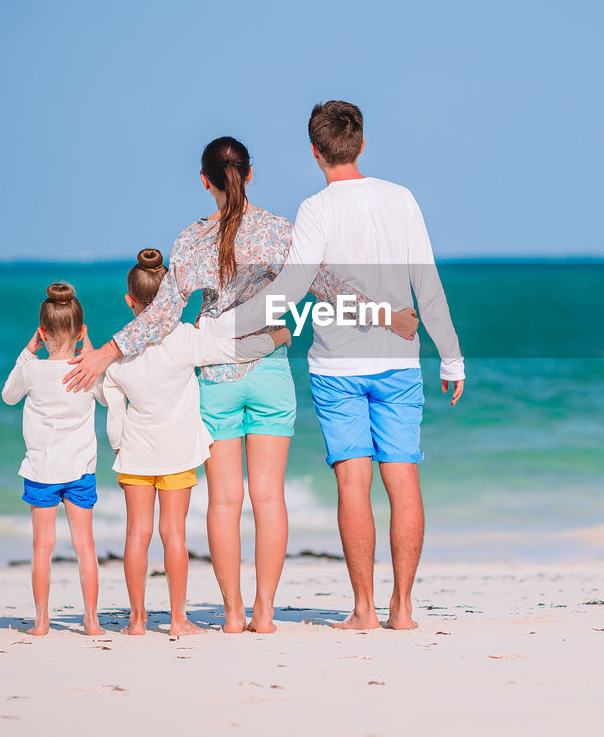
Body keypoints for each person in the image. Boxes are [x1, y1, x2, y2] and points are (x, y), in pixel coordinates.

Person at [63, 137, 417, 634]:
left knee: (225, 501)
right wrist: (389, 317)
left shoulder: (190, 240)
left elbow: (162, 316)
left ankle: (231, 615)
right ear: (250, 175)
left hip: (215, 379)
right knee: (269, 498)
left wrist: (105, 353)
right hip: (269, 370)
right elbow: (329, 288)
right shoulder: (279, 232)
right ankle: (265, 614)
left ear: (205, 181)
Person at [207, 100, 465, 631]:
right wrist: (452, 356)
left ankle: (364, 611)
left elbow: (289, 292)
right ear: (361, 143)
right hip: (398, 364)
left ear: (314, 151)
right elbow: (429, 283)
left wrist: (226, 327)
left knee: (353, 485)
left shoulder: (316, 209)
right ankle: (403, 609)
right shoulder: (402, 199)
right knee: (404, 479)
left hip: (337, 369)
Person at [103, 249, 291, 637]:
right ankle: (186, 619)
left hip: (135, 458)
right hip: (179, 454)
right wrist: (275, 339)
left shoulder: (120, 357)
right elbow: (233, 351)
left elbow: (112, 403)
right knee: (181, 531)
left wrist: (118, 443)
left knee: (140, 533)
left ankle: (143, 621)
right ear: (174, 295)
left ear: (130, 301)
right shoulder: (187, 339)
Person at [1, 282, 105, 637]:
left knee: (41, 548)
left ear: (41, 334)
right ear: (80, 333)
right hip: (80, 470)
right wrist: (90, 353)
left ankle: (42, 621)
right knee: (85, 546)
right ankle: (91, 621)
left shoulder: (31, 370)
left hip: (42, 471)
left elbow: (8, 395)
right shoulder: (87, 371)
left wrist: (27, 352)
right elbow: (107, 398)